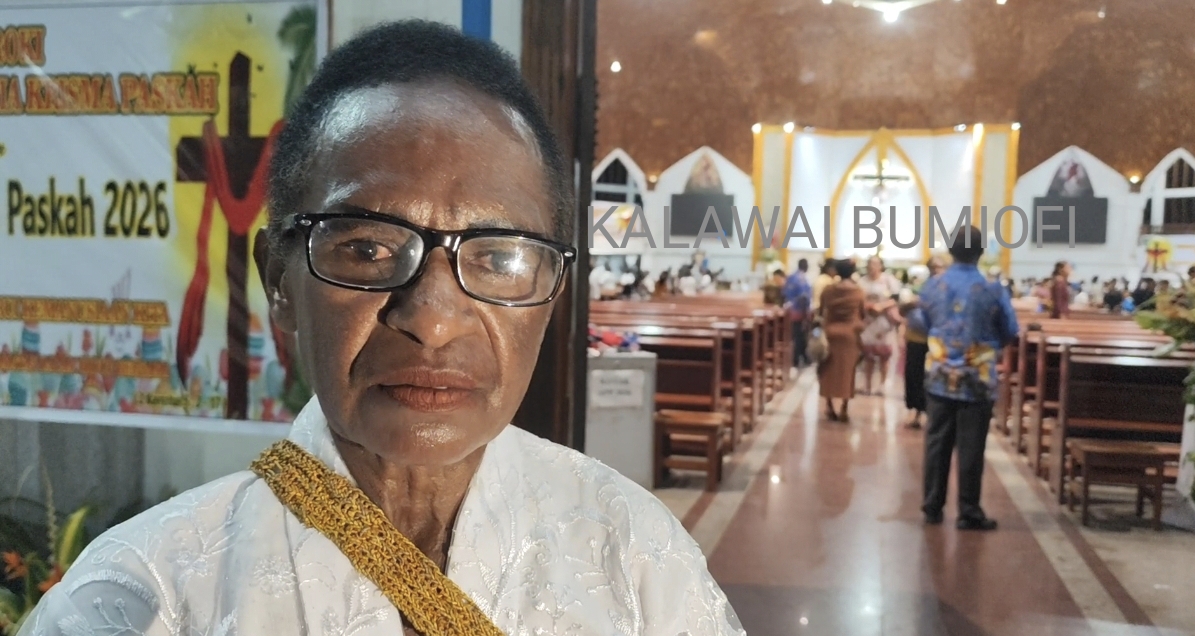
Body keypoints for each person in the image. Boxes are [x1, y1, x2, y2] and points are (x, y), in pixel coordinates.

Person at [19, 22, 744, 635]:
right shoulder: (147, 596)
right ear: (279, 279)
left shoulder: (635, 555)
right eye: (366, 248)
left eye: (497, 257)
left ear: (551, 292)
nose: (432, 320)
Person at [918, 226, 1019, 531]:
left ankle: (932, 505)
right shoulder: (993, 289)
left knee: (937, 441)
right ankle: (969, 510)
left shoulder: (932, 285)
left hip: (939, 374)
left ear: (950, 250)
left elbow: (925, 323)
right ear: (981, 252)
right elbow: (1010, 331)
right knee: (972, 445)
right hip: (978, 376)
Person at [818, 259, 865, 422]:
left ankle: (829, 405)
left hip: (830, 332)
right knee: (848, 371)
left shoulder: (828, 290)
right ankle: (844, 408)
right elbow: (862, 313)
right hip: (850, 334)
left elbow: (821, 310)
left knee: (828, 370)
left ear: (837, 271)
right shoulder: (858, 291)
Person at [901, 257, 945, 428]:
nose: (936, 270)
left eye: (939, 267)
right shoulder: (920, 287)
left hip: (937, 339)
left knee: (932, 376)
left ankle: (930, 412)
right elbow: (903, 308)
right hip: (916, 336)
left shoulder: (948, 288)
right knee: (914, 374)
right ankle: (914, 410)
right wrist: (913, 303)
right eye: (933, 267)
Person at [857, 255, 901, 394]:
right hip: (868, 322)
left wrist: (882, 306)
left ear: (881, 266)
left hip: (884, 320)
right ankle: (867, 385)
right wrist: (868, 306)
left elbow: (895, 299)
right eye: (870, 263)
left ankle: (882, 384)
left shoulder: (888, 280)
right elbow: (858, 300)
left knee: (884, 355)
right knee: (868, 355)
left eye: (875, 264)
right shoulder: (862, 281)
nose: (872, 267)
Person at [783, 258, 813, 368]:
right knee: (800, 336)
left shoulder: (790, 277)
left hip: (789, 310)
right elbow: (805, 297)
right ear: (806, 266)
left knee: (793, 336)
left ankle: (797, 358)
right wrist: (807, 312)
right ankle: (798, 358)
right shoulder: (803, 279)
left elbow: (784, 293)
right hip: (799, 311)